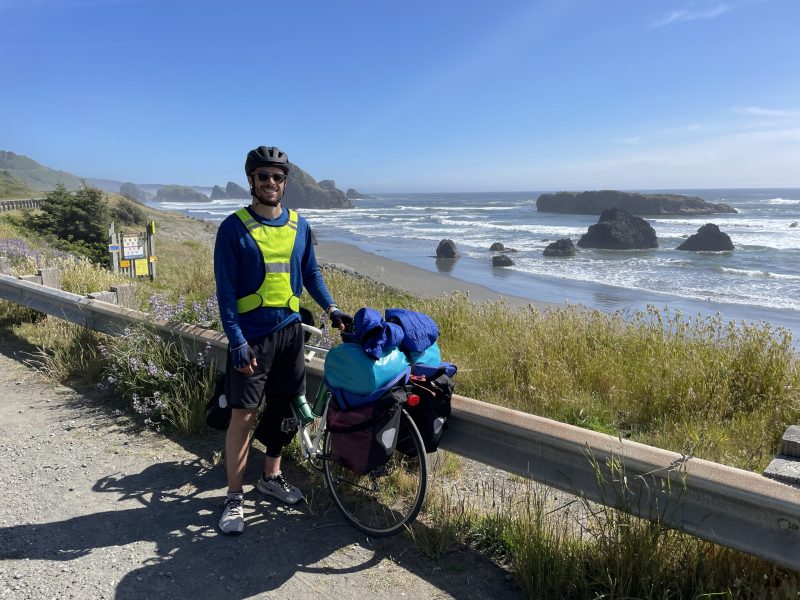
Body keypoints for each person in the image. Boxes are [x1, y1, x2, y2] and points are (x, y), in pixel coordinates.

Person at [213, 145, 351, 535]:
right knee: (243, 415)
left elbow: (312, 274)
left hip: (290, 332)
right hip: (251, 339)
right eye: (263, 176)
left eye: (277, 177)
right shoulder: (233, 228)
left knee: (284, 410)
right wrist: (235, 338)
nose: (271, 182)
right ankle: (234, 497)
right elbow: (226, 292)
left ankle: (270, 476)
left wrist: (332, 309)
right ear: (251, 180)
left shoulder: (299, 226)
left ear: (285, 182)